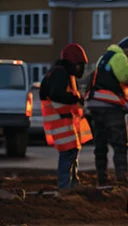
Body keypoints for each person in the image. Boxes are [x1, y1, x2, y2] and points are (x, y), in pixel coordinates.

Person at [87, 36, 128, 188]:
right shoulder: (119, 56)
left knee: (100, 144)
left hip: (95, 105)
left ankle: (102, 178)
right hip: (110, 106)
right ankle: (122, 179)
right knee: (120, 143)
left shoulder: (103, 58)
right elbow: (125, 76)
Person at [40, 44, 93, 189]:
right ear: (74, 63)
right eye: (80, 65)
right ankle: (65, 187)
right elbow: (57, 94)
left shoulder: (64, 73)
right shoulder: (60, 73)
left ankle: (72, 185)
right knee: (67, 155)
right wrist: (75, 98)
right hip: (61, 124)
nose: (81, 69)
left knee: (71, 154)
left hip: (66, 124)